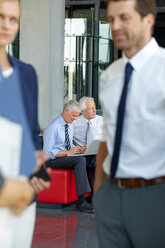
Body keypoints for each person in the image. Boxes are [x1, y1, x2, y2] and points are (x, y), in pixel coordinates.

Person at [94, 0, 165, 247]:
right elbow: (108, 135)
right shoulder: (109, 76)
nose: (115, 26)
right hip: (110, 197)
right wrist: (99, 192)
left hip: (155, 194)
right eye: (111, 19)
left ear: (148, 20)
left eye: (124, 17)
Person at [0, 0, 50, 247]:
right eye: (1, 16)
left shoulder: (26, 73)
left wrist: (36, 171)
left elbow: (32, 131)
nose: (6, 25)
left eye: (13, 19)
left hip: (23, 197)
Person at [43, 100, 94, 213]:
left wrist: (78, 149)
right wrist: (68, 152)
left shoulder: (69, 125)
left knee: (89, 159)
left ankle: (90, 197)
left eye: (77, 116)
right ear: (66, 111)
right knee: (80, 161)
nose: (75, 119)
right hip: (52, 160)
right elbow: (47, 152)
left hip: (65, 157)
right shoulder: (53, 127)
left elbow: (68, 144)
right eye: (74, 115)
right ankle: (81, 202)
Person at [73, 96, 103, 192]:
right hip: (84, 155)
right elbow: (60, 130)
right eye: (91, 108)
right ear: (83, 111)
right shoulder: (74, 123)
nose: (95, 110)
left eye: (94, 107)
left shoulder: (102, 121)